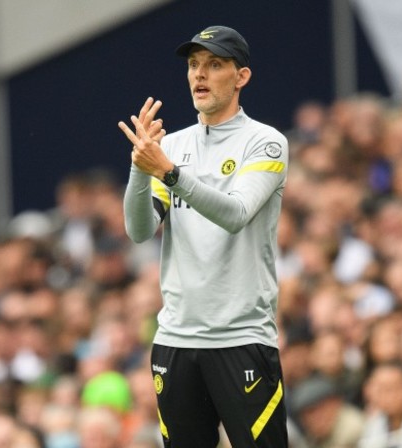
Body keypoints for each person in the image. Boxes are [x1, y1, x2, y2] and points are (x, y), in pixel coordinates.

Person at [119, 25, 289, 447]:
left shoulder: (265, 142)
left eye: (214, 65)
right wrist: (140, 170)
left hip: (242, 338)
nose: (200, 74)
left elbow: (235, 214)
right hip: (175, 341)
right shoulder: (171, 146)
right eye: (194, 65)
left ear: (241, 77)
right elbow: (139, 230)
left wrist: (168, 172)